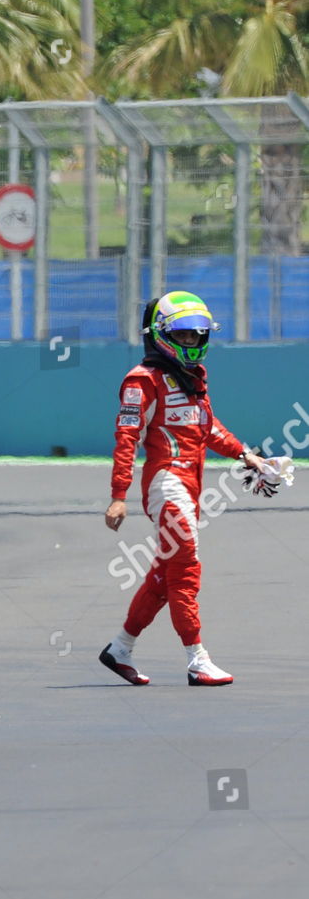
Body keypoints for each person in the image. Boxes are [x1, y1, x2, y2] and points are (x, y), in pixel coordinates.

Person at [100, 291, 266, 687]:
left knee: (164, 574)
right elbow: (127, 438)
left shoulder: (194, 379)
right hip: (165, 485)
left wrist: (248, 456)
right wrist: (118, 495)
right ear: (161, 335)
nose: (192, 342)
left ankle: (120, 648)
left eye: (197, 336)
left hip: (192, 488)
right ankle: (197, 659)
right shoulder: (141, 381)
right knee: (186, 566)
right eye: (184, 335)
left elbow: (208, 428)